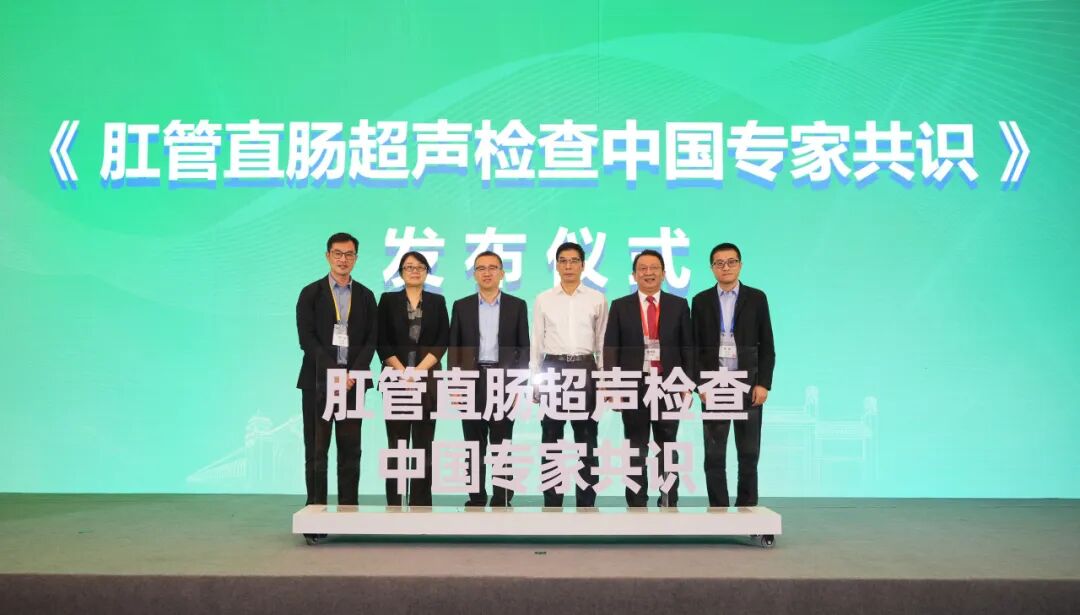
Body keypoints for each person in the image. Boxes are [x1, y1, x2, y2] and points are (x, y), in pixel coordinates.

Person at [295, 232, 378, 544]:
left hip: (354, 383)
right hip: (318, 383)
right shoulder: (310, 293)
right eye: (338, 253)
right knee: (317, 450)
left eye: (349, 254)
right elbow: (307, 339)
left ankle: (348, 513)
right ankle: (315, 516)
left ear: (356, 258)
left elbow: (372, 339)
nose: (344, 259)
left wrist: (353, 372)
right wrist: (334, 373)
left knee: (351, 450)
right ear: (327, 256)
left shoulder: (366, 296)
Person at [603, 249, 693, 507]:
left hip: (668, 383)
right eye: (642, 268)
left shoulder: (678, 305)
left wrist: (686, 386)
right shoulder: (620, 306)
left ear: (664, 273)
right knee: (635, 447)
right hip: (634, 384)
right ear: (634, 275)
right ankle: (636, 503)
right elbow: (611, 348)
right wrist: (613, 386)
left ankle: (668, 500)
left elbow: (688, 347)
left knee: (668, 446)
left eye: (654, 268)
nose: (649, 273)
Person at [691, 242, 775, 507]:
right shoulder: (701, 301)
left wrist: (763, 384)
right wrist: (700, 385)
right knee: (714, 455)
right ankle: (718, 510)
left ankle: (747, 509)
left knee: (748, 453)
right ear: (712, 268)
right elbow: (694, 347)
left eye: (731, 262)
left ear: (740, 264)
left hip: (748, 385)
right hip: (715, 385)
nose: (725, 267)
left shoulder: (757, 298)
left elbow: (767, 344)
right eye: (719, 263)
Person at [448, 251, 530, 508]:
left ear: (502, 273)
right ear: (474, 274)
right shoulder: (461, 306)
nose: (487, 272)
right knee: (473, 442)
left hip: (503, 380)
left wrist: (518, 384)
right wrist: (456, 384)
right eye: (481, 268)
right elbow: (454, 347)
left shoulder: (517, 306)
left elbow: (524, 348)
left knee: (502, 440)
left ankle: (502, 494)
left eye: (492, 267)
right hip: (472, 378)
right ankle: (476, 495)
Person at [531, 242, 608, 508]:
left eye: (574, 261)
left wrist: (604, 380)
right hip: (552, 368)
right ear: (556, 265)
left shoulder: (597, 299)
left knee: (587, 440)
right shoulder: (543, 299)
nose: (568, 266)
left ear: (583, 265)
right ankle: (552, 503)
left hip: (586, 369)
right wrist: (534, 380)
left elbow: (602, 343)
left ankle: (586, 504)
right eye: (563, 261)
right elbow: (536, 342)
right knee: (551, 440)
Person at [376, 251, 449, 507]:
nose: (414, 271)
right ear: (400, 272)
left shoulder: (437, 302)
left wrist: (417, 372)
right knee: (396, 446)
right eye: (409, 267)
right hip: (396, 381)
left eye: (420, 267)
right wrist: (402, 372)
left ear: (427, 272)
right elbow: (381, 340)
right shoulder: (387, 300)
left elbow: (442, 340)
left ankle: (420, 505)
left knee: (423, 446)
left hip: (426, 381)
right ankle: (395, 505)